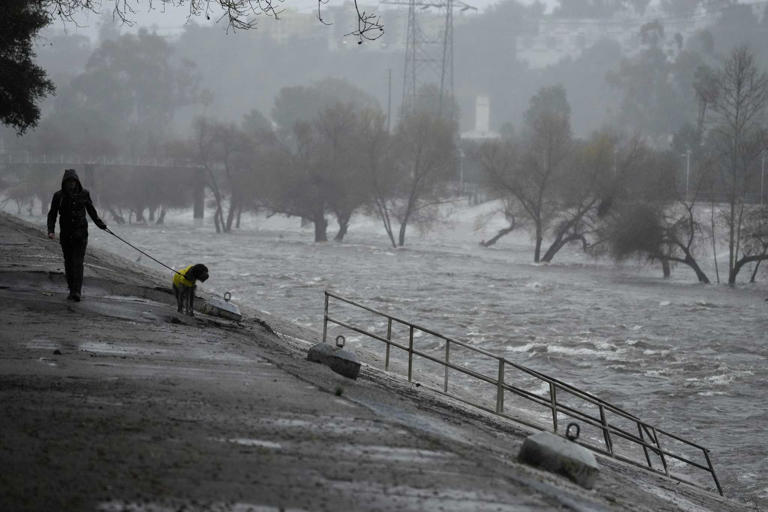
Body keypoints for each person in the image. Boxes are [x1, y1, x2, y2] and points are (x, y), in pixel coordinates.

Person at [47, 169, 107, 301]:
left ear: (77, 181)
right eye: (68, 182)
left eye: (73, 181)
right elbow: (52, 214)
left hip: (81, 234)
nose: (71, 184)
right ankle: (71, 288)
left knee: (78, 263)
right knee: (69, 262)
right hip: (66, 235)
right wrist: (50, 230)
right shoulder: (59, 196)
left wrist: (100, 224)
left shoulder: (84, 193)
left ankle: (76, 292)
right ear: (64, 182)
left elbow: (91, 211)